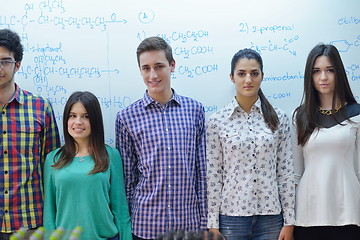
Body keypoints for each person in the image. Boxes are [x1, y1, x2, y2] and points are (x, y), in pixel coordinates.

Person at [115, 36, 207, 240]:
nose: (153, 74)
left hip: (188, 226)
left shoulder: (195, 111)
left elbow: (201, 173)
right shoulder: (126, 118)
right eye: (146, 68)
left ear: (172, 65)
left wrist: (204, 223)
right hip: (145, 226)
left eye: (159, 66)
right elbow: (128, 180)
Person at [206, 48, 295, 240]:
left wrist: (289, 221)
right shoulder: (217, 121)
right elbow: (214, 174)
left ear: (262, 76)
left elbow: (285, 172)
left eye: (254, 73)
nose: (248, 80)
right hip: (231, 218)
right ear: (232, 77)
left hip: (271, 217)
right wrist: (212, 223)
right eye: (242, 74)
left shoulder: (279, 118)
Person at [292, 44, 360, 240]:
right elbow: (296, 174)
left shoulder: (356, 114)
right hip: (307, 216)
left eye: (330, 70)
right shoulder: (300, 116)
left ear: (339, 73)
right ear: (310, 76)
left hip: (348, 214)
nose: (323, 77)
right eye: (316, 71)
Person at [43, 91, 132, 240]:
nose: (78, 122)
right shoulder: (53, 159)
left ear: (95, 121)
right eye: (73, 116)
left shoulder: (111, 155)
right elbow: (49, 213)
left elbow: (120, 209)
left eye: (86, 116)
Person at [0, 29, 61, 239]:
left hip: (29, 223)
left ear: (17, 64)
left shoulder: (40, 108)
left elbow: (53, 168)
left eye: (5, 61)